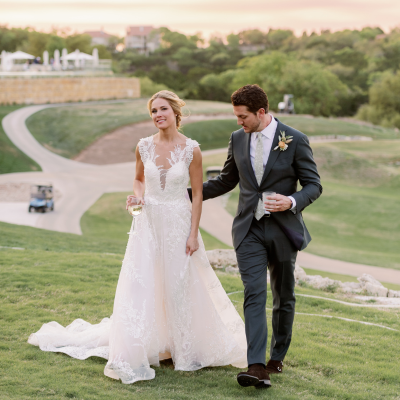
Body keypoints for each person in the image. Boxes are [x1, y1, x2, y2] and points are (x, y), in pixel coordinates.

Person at [28, 90, 247, 384]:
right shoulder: (143, 146)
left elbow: (196, 196)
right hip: (149, 223)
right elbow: (139, 179)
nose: (157, 115)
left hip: (180, 223)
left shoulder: (192, 149)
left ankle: (182, 347)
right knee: (145, 282)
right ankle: (150, 344)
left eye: (162, 110)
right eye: (153, 111)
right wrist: (138, 197)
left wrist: (194, 233)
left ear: (175, 113)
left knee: (180, 284)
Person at [188, 84, 322, 389]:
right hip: (248, 229)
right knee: (254, 293)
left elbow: (314, 185)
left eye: (242, 116)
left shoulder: (295, 140)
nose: (238, 122)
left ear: (261, 113)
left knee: (283, 295)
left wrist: (291, 201)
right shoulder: (237, 139)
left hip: (284, 230)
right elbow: (225, 181)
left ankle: (276, 356)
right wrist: (186, 195)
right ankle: (256, 366)